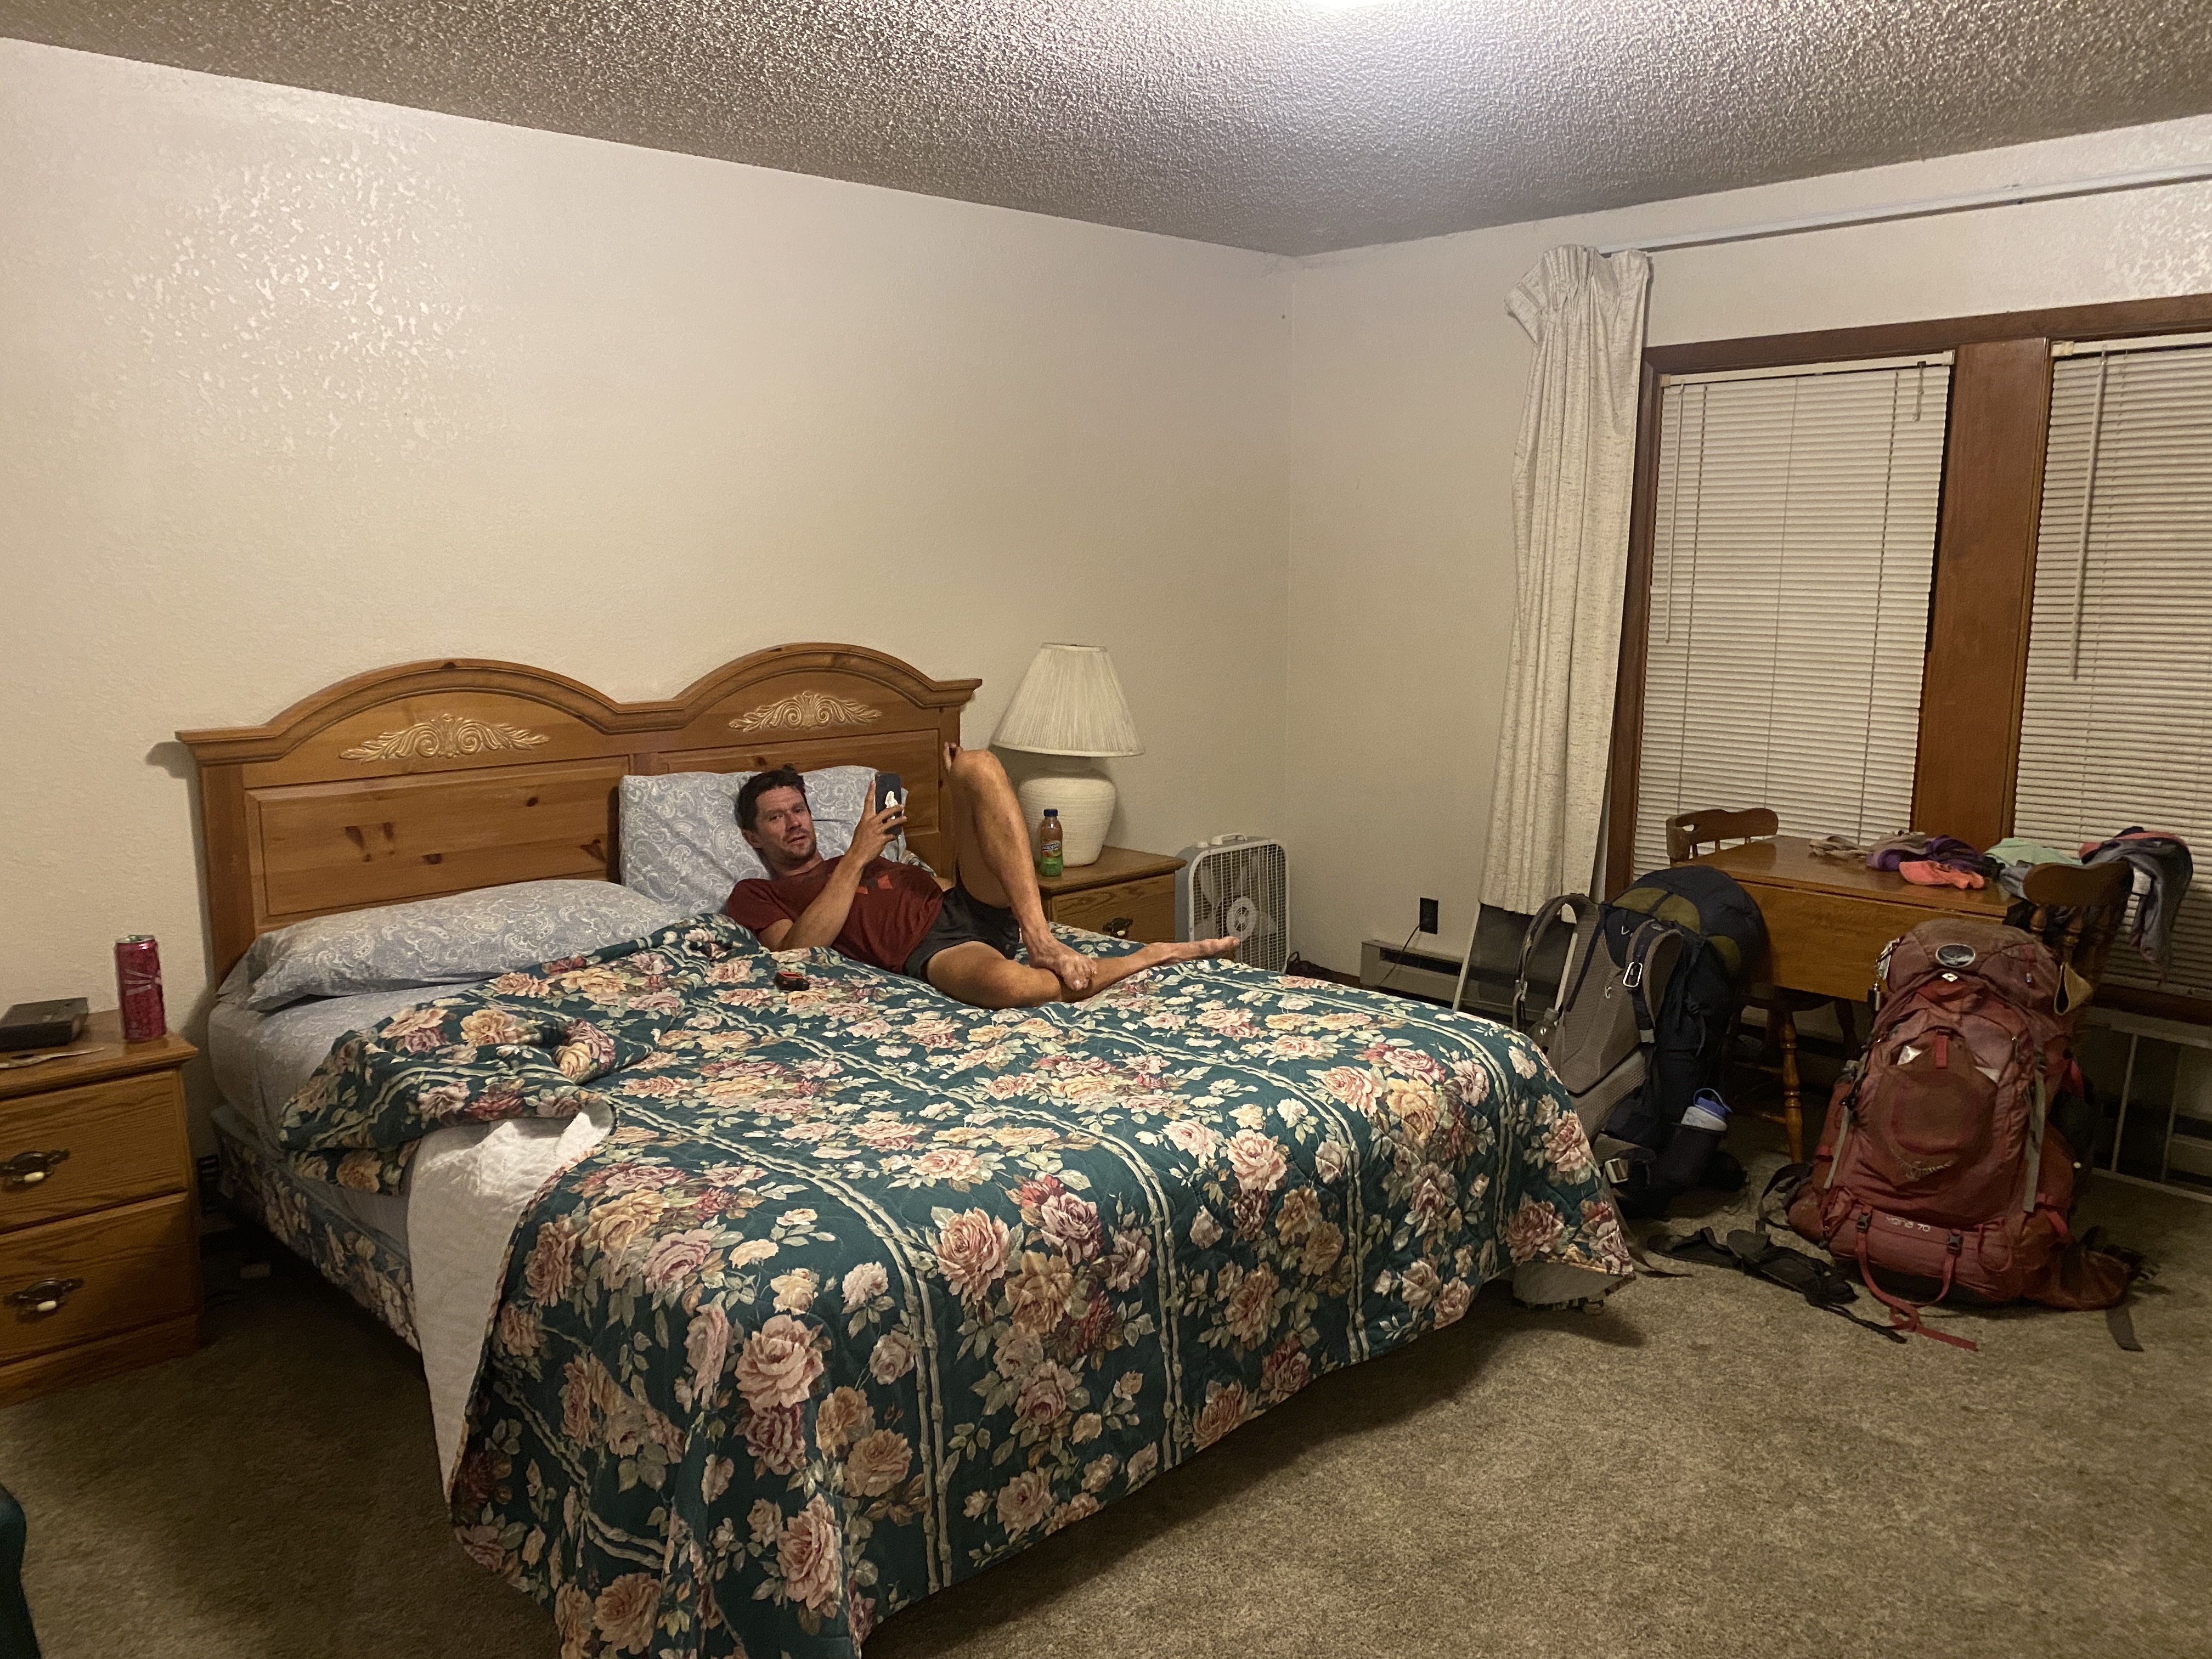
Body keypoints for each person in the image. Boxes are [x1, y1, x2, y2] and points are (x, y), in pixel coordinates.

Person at [724, 746, 1238, 1007]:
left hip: (962, 904)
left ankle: (1038, 936)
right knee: (1015, 986)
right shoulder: (758, 892)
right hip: (934, 947)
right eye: (776, 818)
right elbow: (795, 951)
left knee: (979, 765)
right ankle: (1150, 955)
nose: (794, 823)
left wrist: (954, 832)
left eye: (799, 810)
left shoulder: (870, 854)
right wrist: (857, 855)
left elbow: (937, 883)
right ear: (753, 836)